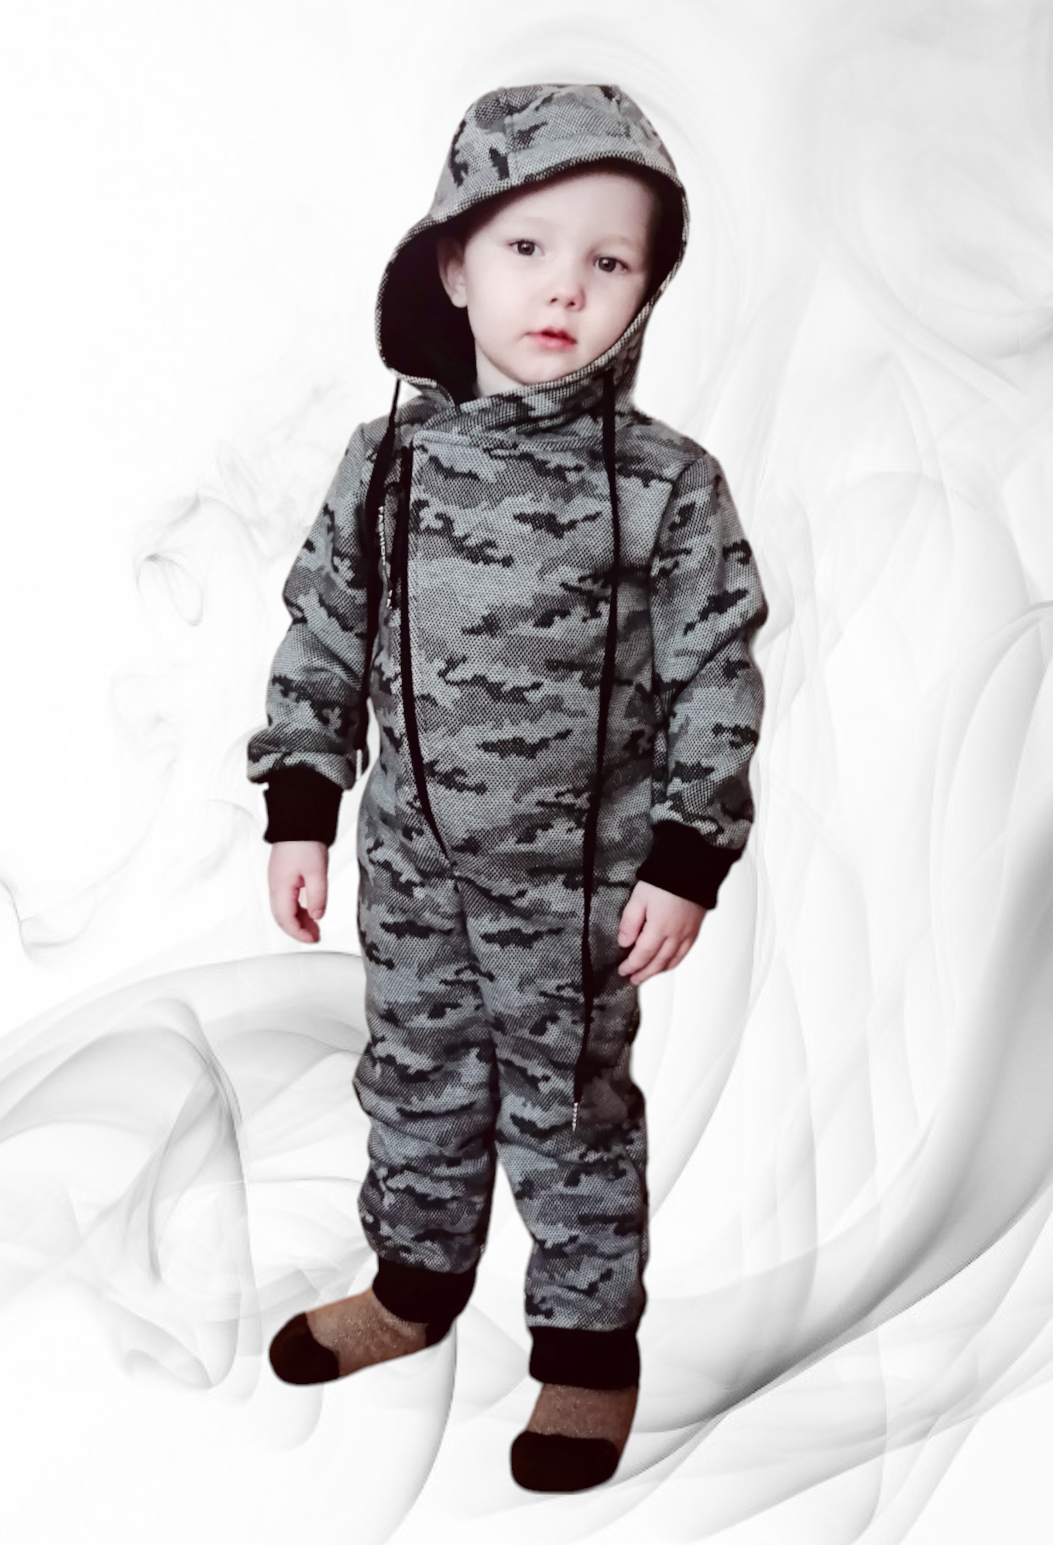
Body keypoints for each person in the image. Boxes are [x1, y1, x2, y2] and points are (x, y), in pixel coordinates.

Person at [246, 82, 768, 1493]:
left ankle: (587, 1353)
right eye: (527, 247)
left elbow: (714, 676)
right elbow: (325, 634)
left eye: (611, 259)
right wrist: (302, 807)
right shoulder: (385, 465)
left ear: (648, 289)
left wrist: (688, 856)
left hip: (578, 896)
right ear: (455, 265)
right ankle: (413, 1289)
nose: (566, 288)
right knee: (415, 1081)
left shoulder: (666, 487)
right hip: (412, 868)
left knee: (568, 1113)